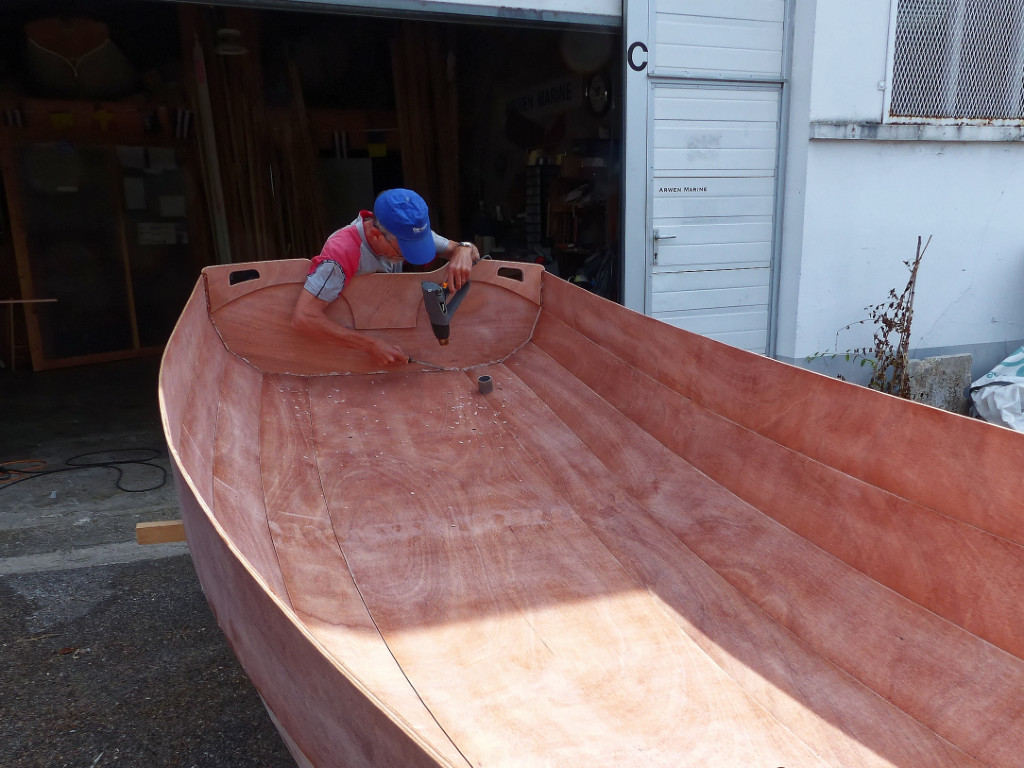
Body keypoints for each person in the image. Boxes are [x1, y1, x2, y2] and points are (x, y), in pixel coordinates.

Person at [292, 188, 481, 366]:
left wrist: (464, 249)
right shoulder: (341, 253)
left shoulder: (408, 231)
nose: (408, 256)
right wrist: (369, 345)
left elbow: (471, 252)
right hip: (348, 356)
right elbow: (304, 318)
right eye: (403, 251)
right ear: (375, 235)